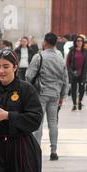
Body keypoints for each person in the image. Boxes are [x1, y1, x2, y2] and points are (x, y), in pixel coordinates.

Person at [26, 32, 68, 161]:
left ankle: (36, 150)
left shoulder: (39, 57)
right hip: (55, 93)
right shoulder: (60, 56)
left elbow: (28, 75)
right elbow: (65, 77)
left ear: (45, 42)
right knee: (53, 122)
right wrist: (63, 95)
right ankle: (54, 150)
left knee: (38, 122)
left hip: (41, 93)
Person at [66, 35, 87, 111]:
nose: (79, 42)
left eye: (81, 41)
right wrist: (71, 71)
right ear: (75, 42)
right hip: (73, 73)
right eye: (78, 41)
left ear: (83, 42)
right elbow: (68, 62)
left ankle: (80, 101)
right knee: (74, 89)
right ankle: (74, 104)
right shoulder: (72, 51)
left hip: (82, 73)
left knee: (82, 89)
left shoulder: (85, 51)